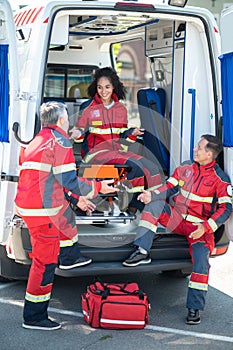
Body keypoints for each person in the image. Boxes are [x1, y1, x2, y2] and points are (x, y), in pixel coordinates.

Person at [14, 101, 118, 331]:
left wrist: (76, 198)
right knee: (44, 264)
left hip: (31, 207)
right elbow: (69, 181)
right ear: (61, 120)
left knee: (64, 220)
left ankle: (70, 257)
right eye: (68, 118)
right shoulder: (60, 141)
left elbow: (51, 179)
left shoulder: (37, 139)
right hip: (44, 212)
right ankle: (34, 317)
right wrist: (99, 187)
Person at [122, 134, 232, 324]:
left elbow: (226, 209)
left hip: (199, 228)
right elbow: (169, 187)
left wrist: (205, 228)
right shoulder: (185, 167)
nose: (195, 150)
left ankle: (194, 309)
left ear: (209, 154)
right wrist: (152, 194)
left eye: (199, 147)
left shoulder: (220, 179)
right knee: (154, 204)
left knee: (200, 264)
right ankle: (142, 250)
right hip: (177, 219)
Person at [70, 67, 162, 213]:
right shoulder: (88, 108)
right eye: (100, 87)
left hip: (116, 153)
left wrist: (133, 133)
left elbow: (123, 137)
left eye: (107, 87)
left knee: (152, 168)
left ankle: (151, 205)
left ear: (114, 87)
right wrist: (76, 133)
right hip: (95, 154)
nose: (103, 91)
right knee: (136, 167)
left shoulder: (121, 109)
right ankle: (133, 206)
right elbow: (80, 133)